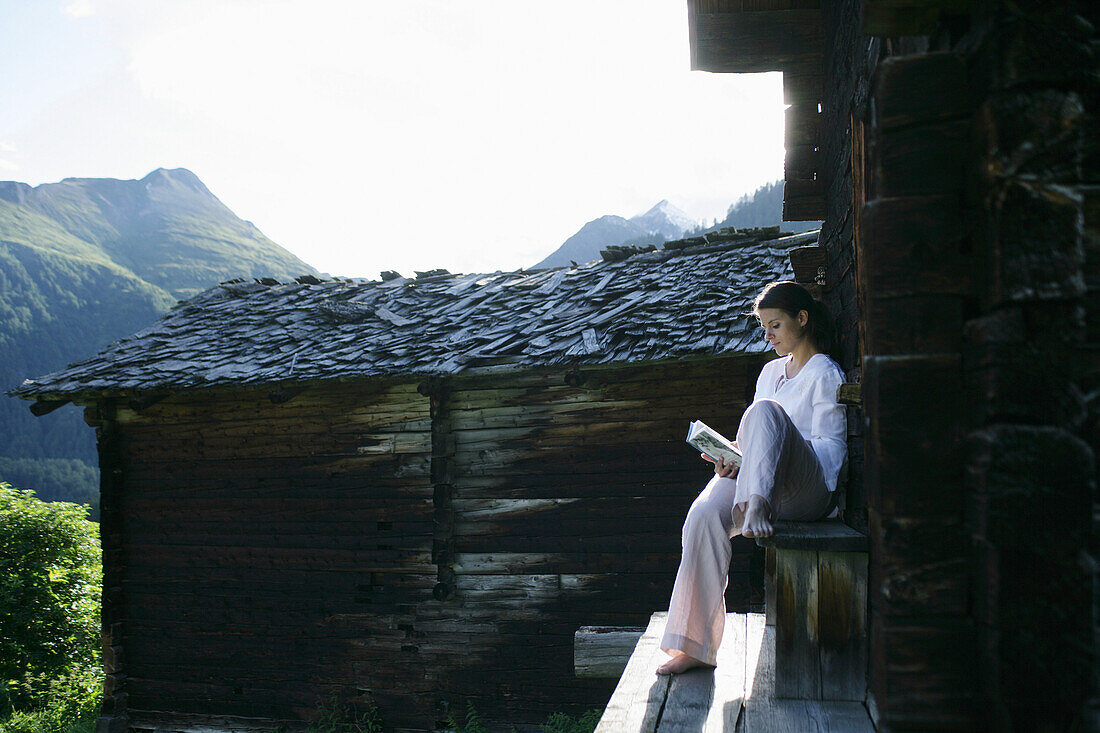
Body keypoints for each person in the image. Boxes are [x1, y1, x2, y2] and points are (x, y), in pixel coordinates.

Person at [655, 280, 847, 675]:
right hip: (763, 480)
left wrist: (772, 469)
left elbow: (831, 449)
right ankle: (695, 646)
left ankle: (755, 504)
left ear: (803, 318)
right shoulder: (770, 372)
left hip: (811, 490)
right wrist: (732, 461)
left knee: (763, 412)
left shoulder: (825, 372)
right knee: (704, 514)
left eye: (775, 325)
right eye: (764, 328)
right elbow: (755, 441)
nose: (769, 335)